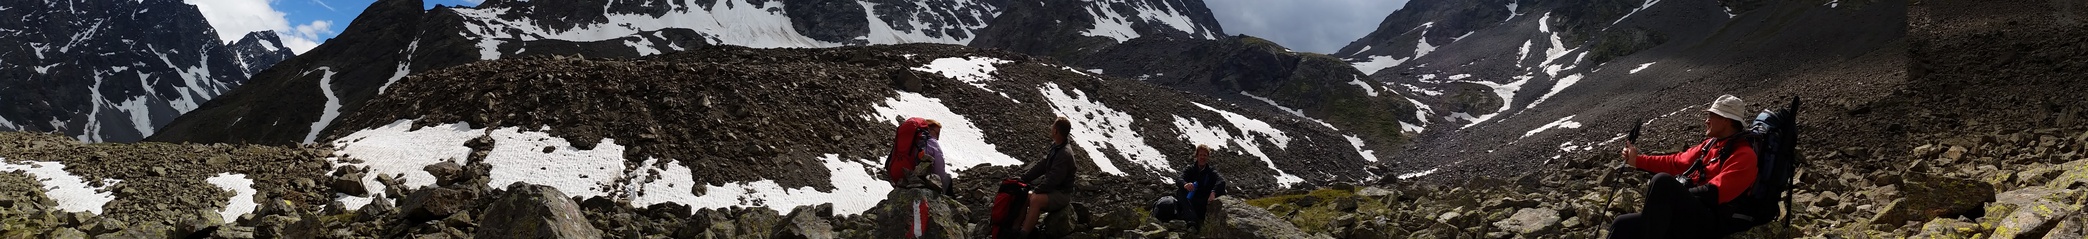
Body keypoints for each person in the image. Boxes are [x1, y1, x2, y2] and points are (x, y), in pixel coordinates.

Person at [1609, 95, 1760, 239]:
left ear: (1726, 120)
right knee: (1622, 224)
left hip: (1716, 218)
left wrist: (1678, 194)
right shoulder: (1711, 145)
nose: (1706, 121)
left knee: (1662, 182)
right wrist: (1638, 161)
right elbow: (1677, 162)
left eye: (1711, 116)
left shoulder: (1744, 155)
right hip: (1696, 212)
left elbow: (1715, 192)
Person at [1018, 117, 1079, 237]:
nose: (1051, 128)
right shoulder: (1056, 147)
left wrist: (1038, 190)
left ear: (1056, 131)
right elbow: (1043, 164)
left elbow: (1054, 180)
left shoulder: (1064, 154)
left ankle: (1023, 234)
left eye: (1053, 126)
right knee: (1025, 195)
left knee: (1035, 199)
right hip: (1054, 190)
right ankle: (1015, 228)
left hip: (1062, 194)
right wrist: (1023, 179)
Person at [1160, 145, 1225, 228]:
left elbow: (1221, 181)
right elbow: (1179, 179)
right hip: (1191, 201)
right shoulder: (1190, 169)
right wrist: (1185, 185)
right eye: (1200, 155)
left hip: (1205, 202)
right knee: (1180, 191)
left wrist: (1213, 192)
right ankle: (1192, 220)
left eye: (1205, 155)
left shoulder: (1211, 171)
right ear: (1196, 156)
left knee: (1221, 190)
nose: (1202, 157)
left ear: (1208, 157)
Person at [916, 120, 953, 195]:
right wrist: (940, 180)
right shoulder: (932, 142)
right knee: (948, 178)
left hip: (908, 174)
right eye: (937, 133)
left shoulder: (915, 140)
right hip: (925, 178)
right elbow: (939, 165)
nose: (938, 137)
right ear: (929, 129)